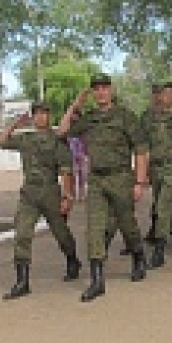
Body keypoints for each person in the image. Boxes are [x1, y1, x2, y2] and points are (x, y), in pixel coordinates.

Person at [57, 73, 150, 302]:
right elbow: (62, 131)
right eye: (96, 89)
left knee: (127, 224)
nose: (100, 92)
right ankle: (97, 281)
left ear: (111, 90)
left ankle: (138, 255)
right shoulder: (89, 119)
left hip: (121, 177)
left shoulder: (125, 117)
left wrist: (140, 182)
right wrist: (76, 105)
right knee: (95, 228)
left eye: (104, 88)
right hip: (97, 180)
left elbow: (140, 149)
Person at [0, 102, 82, 300]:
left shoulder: (57, 140)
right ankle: (22, 282)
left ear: (49, 116)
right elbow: (1, 141)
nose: (41, 117)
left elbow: (66, 171)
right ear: (33, 117)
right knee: (22, 234)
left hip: (50, 193)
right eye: (37, 114)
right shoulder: (26, 138)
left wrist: (67, 197)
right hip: (29, 194)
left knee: (61, 233)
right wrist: (15, 124)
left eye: (44, 113)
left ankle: (72, 259)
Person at [140, 81, 172, 266]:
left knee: (162, 207)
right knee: (163, 206)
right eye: (164, 93)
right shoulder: (149, 118)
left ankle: (159, 249)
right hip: (155, 168)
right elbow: (145, 146)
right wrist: (144, 172)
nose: (166, 97)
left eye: (170, 93)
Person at [68, 135, 89, 202]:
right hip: (77, 158)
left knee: (82, 178)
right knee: (77, 178)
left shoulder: (75, 139)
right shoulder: (71, 139)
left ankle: (82, 195)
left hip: (81, 158)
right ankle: (77, 195)